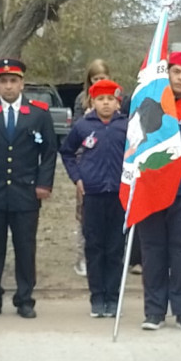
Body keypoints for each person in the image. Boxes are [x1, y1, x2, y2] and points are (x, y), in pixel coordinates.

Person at [0, 58, 57, 320]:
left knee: (25, 247)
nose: (8, 86)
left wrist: (44, 184)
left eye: (13, 81)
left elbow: (49, 152)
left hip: (26, 192)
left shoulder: (39, 113)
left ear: (22, 83)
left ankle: (25, 299)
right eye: (3, 81)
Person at [137, 52, 181, 333]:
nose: (180, 78)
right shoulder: (151, 103)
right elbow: (138, 143)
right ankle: (154, 311)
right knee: (153, 252)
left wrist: (169, 144)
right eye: (175, 72)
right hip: (152, 189)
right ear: (166, 74)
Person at [60, 79, 127, 318]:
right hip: (94, 195)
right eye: (101, 99)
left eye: (110, 99)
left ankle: (113, 297)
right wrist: (77, 178)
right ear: (92, 102)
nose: (106, 104)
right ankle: (97, 298)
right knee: (95, 248)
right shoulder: (83, 127)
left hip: (119, 196)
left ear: (117, 102)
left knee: (115, 249)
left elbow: (137, 154)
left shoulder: (126, 126)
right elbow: (67, 152)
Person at [72, 59, 110, 277]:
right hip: (86, 162)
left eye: (103, 78)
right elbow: (75, 134)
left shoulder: (117, 99)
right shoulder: (82, 99)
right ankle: (83, 257)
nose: (99, 83)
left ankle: (108, 257)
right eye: (95, 80)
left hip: (110, 164)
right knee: (84, 214)